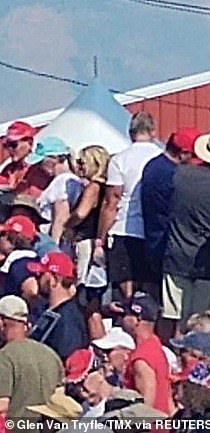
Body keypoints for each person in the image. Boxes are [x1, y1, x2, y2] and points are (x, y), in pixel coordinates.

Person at [162, 126, 210, 332]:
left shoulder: (179, 175)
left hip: (176, 256)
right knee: (205, 322)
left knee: (178, 321)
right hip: (209, 262)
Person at [97, 111, 161, 298]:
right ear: (153, 132)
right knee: (150, 291)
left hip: (124, 228)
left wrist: (100, 238)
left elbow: (112, 201)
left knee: (126, 290)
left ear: (130, 132)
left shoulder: (119, 159)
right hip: (153, 230)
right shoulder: (161, 158)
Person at [141, 127, 199, 282]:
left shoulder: (152, 165)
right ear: (183, 153)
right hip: (167, 245)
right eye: (193, 155)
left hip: (153, 239)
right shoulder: (174, 175)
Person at [65, 143, 110, 334]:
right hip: (93, 242)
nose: (80, 167)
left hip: (86, 243)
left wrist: (68, 224)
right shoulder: (105, 187)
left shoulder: (93, 187)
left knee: (86, 297)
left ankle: (92, 338)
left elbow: (82, 213)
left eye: (83, 162)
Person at [0, 294, 64, 420]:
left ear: (1, 322)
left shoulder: (4, 357)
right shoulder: (51, 355)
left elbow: (2, 408)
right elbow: (60, 401)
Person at [120, 291, 173, 414]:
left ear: (137, 319)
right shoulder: (155, 343)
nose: (121, 318)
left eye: (125, 314)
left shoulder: (141, 359)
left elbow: (144, 409)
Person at [28, 251, 89, 359]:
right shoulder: (51, 311)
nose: (36, 278)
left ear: (54, 280)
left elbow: (66, 360)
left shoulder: (69, 319)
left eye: (41, 274)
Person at [33, 137, 84, 244]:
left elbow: (61, 216)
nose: (38, 166)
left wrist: (54, 245)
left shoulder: (62, 181)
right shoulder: (68, 180)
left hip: (51, 238)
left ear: (55, 158)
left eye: (41, 161)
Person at [0, 215, 39, 298]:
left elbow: (31, 291)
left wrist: (19, 309)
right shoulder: (23, 259)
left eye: (2, 234)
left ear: (10, 238)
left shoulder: (22, 262)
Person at [0, 121, 37, 190]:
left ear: (29, 143)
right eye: (7, 145)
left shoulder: (35, 170)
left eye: (13, 144)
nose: (10, 149)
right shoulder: (8, 169)